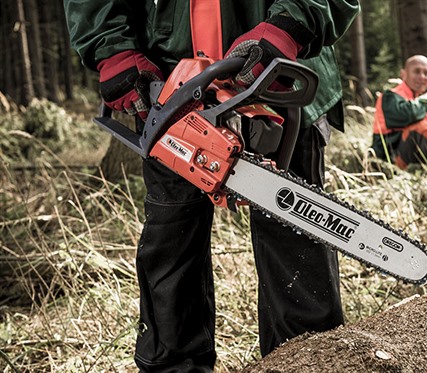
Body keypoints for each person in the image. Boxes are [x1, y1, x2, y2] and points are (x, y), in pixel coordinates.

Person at [63, 1, 360, 372]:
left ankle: (307, 363)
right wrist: (112, 48)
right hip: (172, 84)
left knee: (295, 234)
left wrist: (290, 24)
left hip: (277, 69)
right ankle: (172, 366)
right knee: (172, 239)